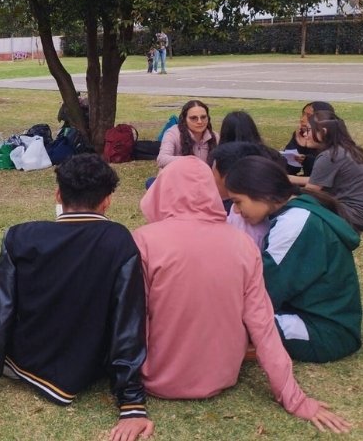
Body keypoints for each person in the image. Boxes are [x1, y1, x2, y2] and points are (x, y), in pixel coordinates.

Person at [133, 157, 351, 433]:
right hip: (222, 376)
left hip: (156, 377)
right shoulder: (243, 244)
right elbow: (263, 326)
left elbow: (130, 319)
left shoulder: (143, 240)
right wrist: (294, 398)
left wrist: (128, 400)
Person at [0, 154, 152, 441]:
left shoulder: (21, 235)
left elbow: (1, 314)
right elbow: (127, 325)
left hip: (19, 362)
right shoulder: (119, 241)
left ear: (58, 195)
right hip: (83, 368)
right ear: (107, 200)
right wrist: (131, 406)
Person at [226, 156, 362, 363]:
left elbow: (265, 288)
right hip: (316, 317)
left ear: (261, 193)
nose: (236, 210)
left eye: (238, 201)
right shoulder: (298, 211)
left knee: (227, 321)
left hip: (325, 332)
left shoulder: (294, 223)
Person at [290, 110, 363, 232]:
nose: (305, 135)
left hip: (357, 217)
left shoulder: (330, 156)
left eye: (308, 130)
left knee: (295, 208)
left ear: (323, 132)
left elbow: (309, 193)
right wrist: (289, 178)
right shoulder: (346, 149)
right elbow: (319, 180)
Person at [209, 142, 283, 250]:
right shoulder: (247, 208)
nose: (210, 179)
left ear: (228, 178)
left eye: (213, 173)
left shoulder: (246, 219)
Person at [157, 99, 218, 168]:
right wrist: (190, 161)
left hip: (206, 178)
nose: (200, 121)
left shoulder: (215, 137)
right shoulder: (173, 133)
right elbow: (162, 159)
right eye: (193, 118)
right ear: (184, 120)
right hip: (179, 177)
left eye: (203, 117)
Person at [284, 101, 335, 176]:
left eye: (309, 116)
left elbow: (322, 177)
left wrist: (306, 160)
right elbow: (290, 168)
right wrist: (299, 145)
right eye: (303, 114)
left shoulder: (336, 142)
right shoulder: (301, 134)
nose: (302, 119)